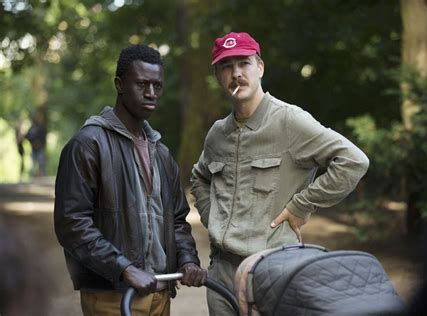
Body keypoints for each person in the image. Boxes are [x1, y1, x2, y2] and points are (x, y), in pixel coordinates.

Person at [190, 32, 370, 315]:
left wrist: (302, 204)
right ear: (217, 75)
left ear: (259, 67)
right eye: (226, 66)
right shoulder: (217, 133)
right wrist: (212, 216)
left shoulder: (289, 120)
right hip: (222, 272)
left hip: (272, 270)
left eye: (244, 63)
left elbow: (353, 160)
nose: (236, 73)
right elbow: (199, 176)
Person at [54, 44, 207, 316]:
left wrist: (187, 260)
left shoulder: (160, 152)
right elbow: (72, 224)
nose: (151, 93)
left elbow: (178, 220)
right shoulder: (88, 145)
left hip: (160, 295)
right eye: (142, 84)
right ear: (119, 84)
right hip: (112, 297)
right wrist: (123, 268)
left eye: (157, 86)